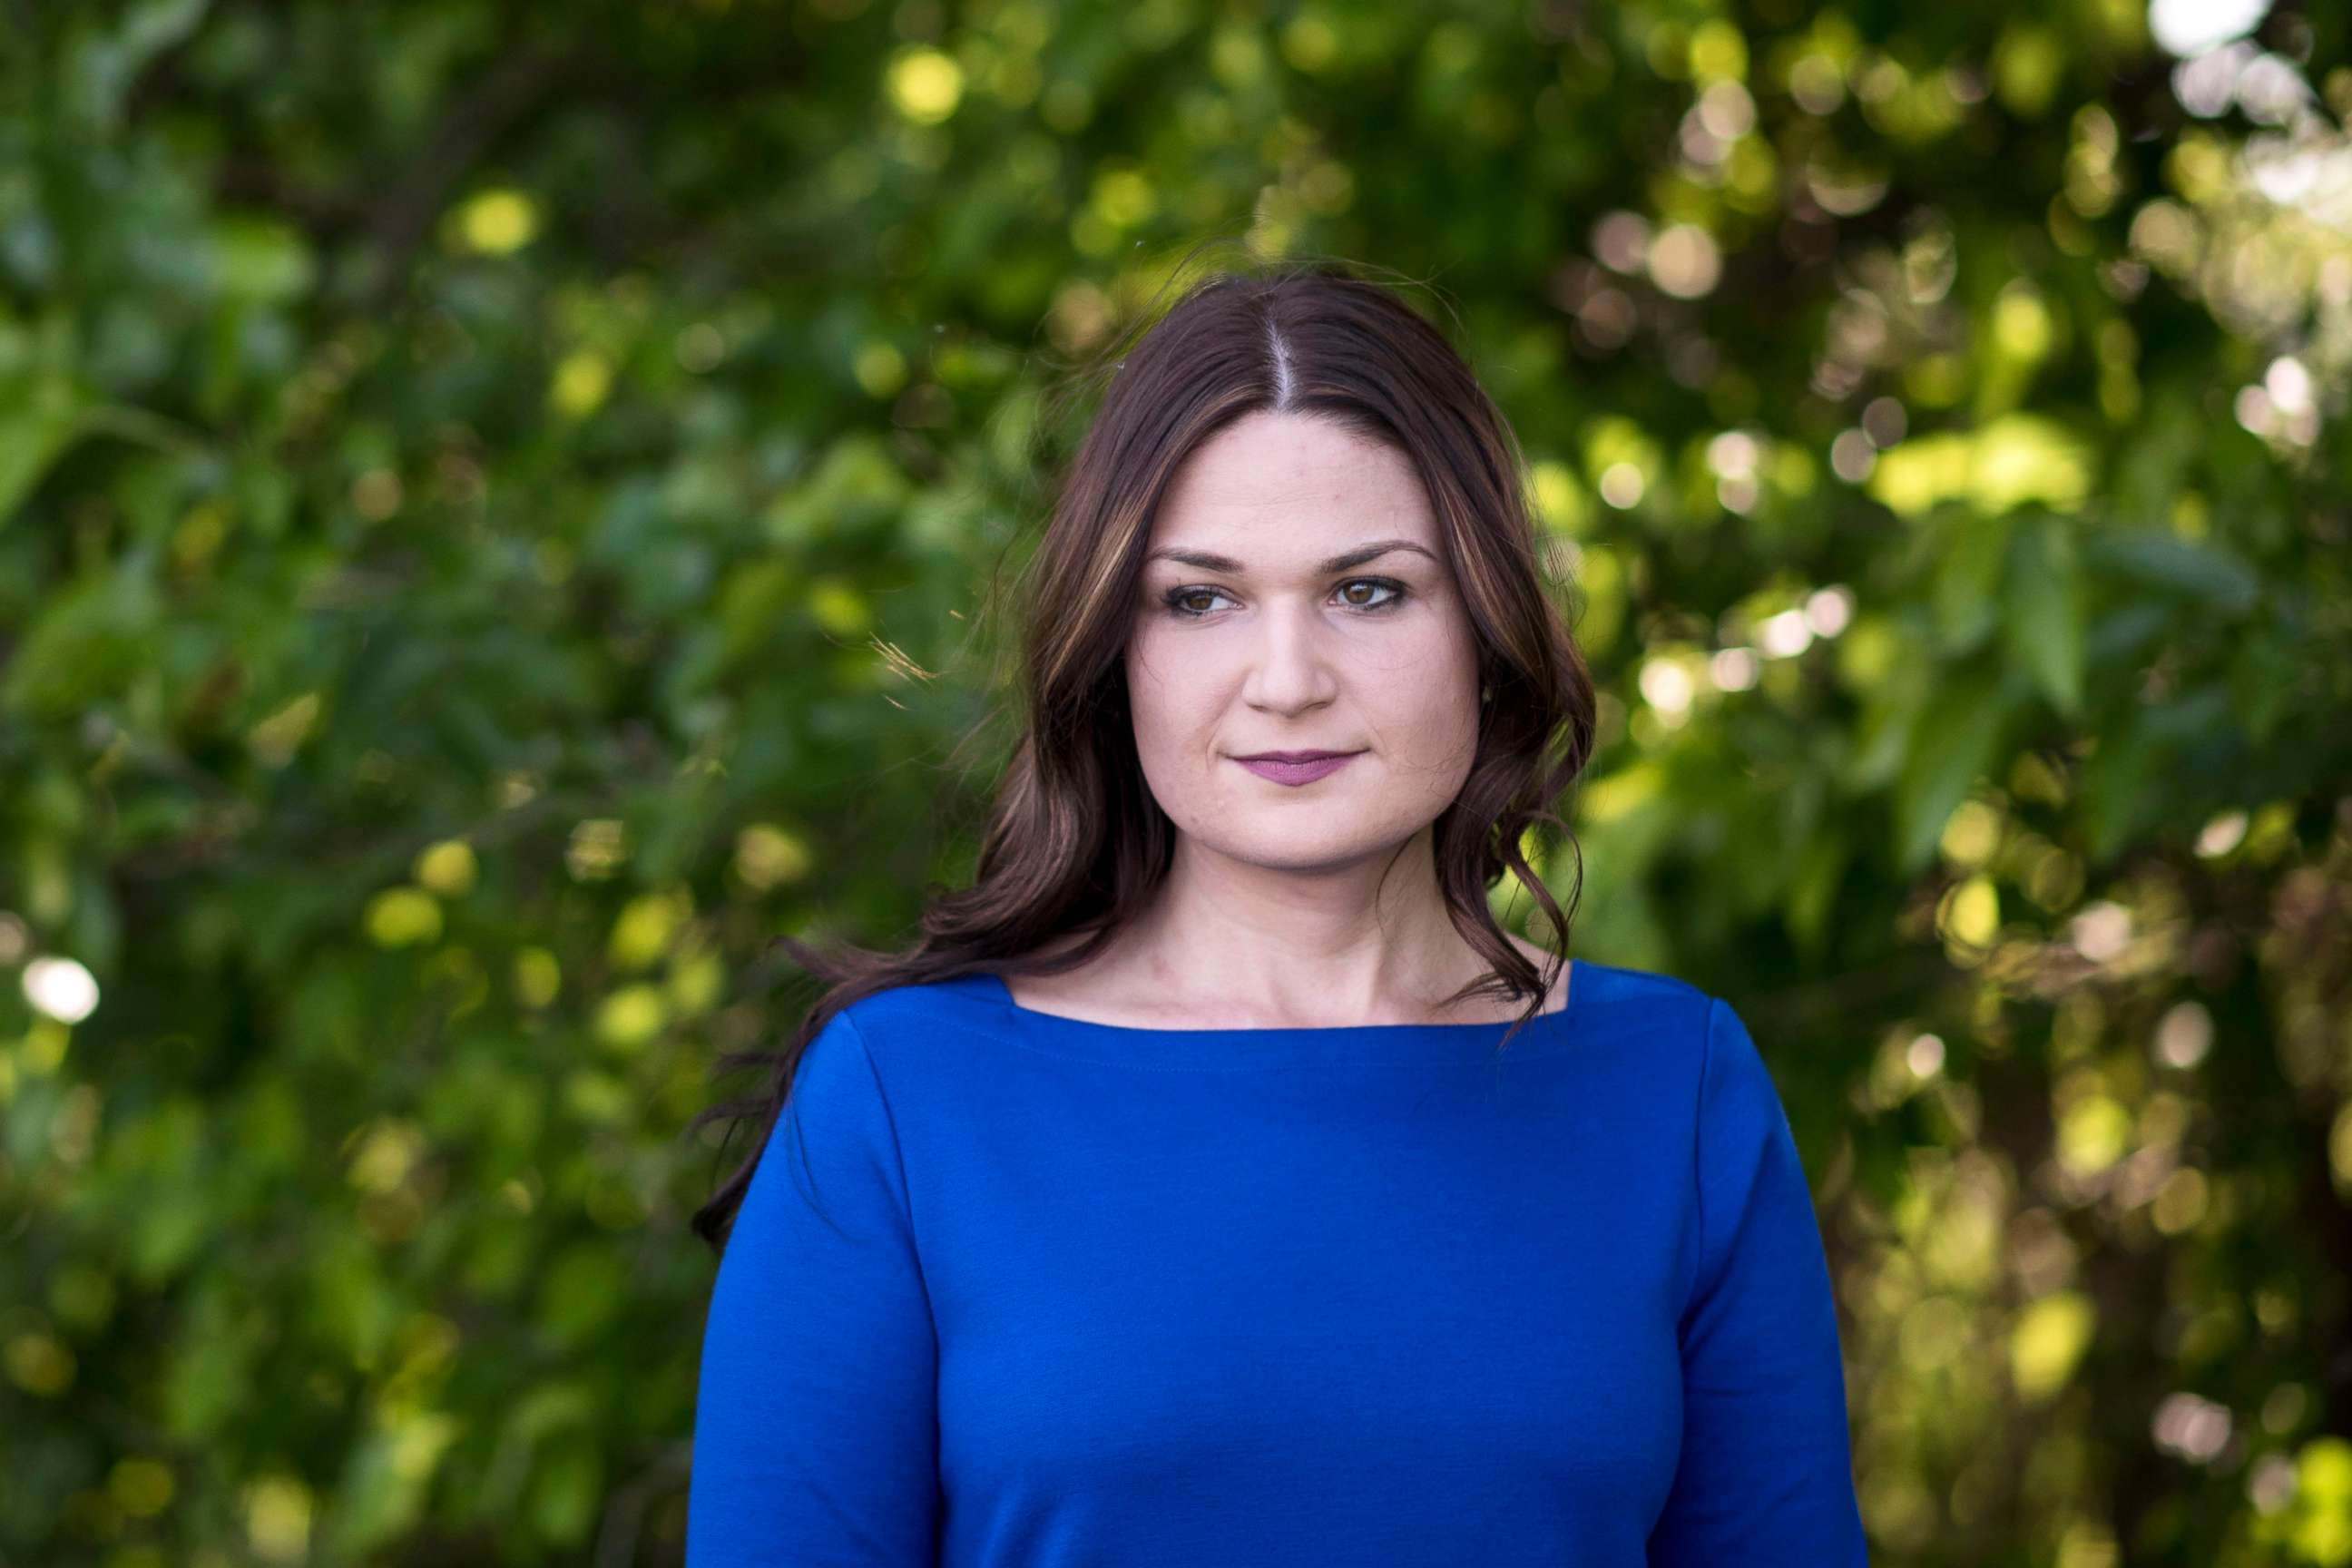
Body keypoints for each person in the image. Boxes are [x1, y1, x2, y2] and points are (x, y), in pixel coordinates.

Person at [682, 260, 1868, 1565]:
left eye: (1368, 591)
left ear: (1484, 622)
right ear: (1112, 651)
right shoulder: (905, 1101)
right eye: (1200, 599)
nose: (1287, 681)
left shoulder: (1674, 1090)